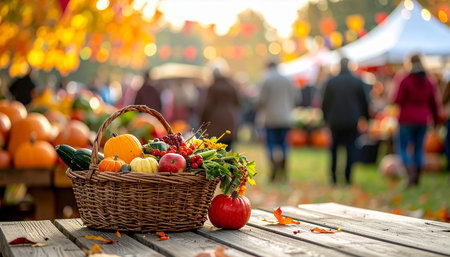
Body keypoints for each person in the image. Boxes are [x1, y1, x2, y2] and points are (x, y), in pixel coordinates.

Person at [393, 54, 440, 187]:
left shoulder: (405, 79)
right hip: (423, 119)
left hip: (406, 119)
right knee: (419, 149)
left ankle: (410, 174)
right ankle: (417, 174)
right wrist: (436, 121)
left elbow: (397, 99)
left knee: (403, 148)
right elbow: (434, 103)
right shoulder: (429, 80)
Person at [321, 57, 369, 186]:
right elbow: (364, 102)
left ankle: (334, 177)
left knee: (334, 150)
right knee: (350, 149)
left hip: (335, 121)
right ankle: (348, 177)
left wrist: (325, 119)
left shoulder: (331, 82)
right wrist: (365, 118)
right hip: (351, 120)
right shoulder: (357, 81)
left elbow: (325, 103)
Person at [256, 60, 298, 182]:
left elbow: (260, 101)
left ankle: (273, 169)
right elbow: (297, 97)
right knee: (284, 144)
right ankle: (284, 168)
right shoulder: (288, 79)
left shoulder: (266, 79)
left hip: (270, 119)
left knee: (271, 145)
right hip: (286, 118)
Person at [200, 67, 240, 150]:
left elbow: (207, 106)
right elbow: (238, 102)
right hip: (230, 119)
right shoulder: (231, 86)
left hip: (215, 122)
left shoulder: (212, 87)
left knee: (216, 151)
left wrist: (202, 121)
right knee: (229, 150)